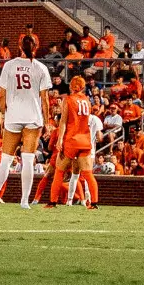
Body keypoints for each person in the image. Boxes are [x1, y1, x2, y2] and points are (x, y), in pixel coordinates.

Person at [0, 33, 51, 208]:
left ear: (20, 46)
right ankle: (24, 201)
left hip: (13, 115)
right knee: (27, 160)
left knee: (5, 160)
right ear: (35, 47)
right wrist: (48, 121)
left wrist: (3, 113)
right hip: (33, 117)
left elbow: (2, 94)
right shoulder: (41, 68)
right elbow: (45, 99)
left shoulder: (9, 66)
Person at [47, 75, 99, 210]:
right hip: (85, 140)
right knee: (88, 173)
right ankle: (94, 203)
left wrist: (60, 140)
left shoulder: (68, 100)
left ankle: (52, 202)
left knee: (59, 171)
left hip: (72, 139)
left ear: (72, 86)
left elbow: (63, 121)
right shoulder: (87, 101)